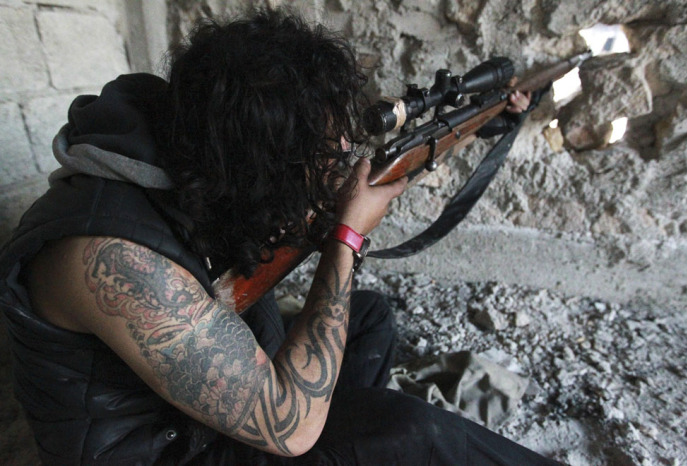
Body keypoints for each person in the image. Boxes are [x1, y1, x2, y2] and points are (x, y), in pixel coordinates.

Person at [0, 8, 550, 465]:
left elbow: (336, 184)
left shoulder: (195, 146)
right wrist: (346, 238)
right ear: (258, 164)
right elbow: (294, 429)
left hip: (187, 405)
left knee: (369, 319)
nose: (340, 161)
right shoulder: (114, 261)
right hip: (167, 447)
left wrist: (480, 123)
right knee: (410, 430)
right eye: (320, 159)